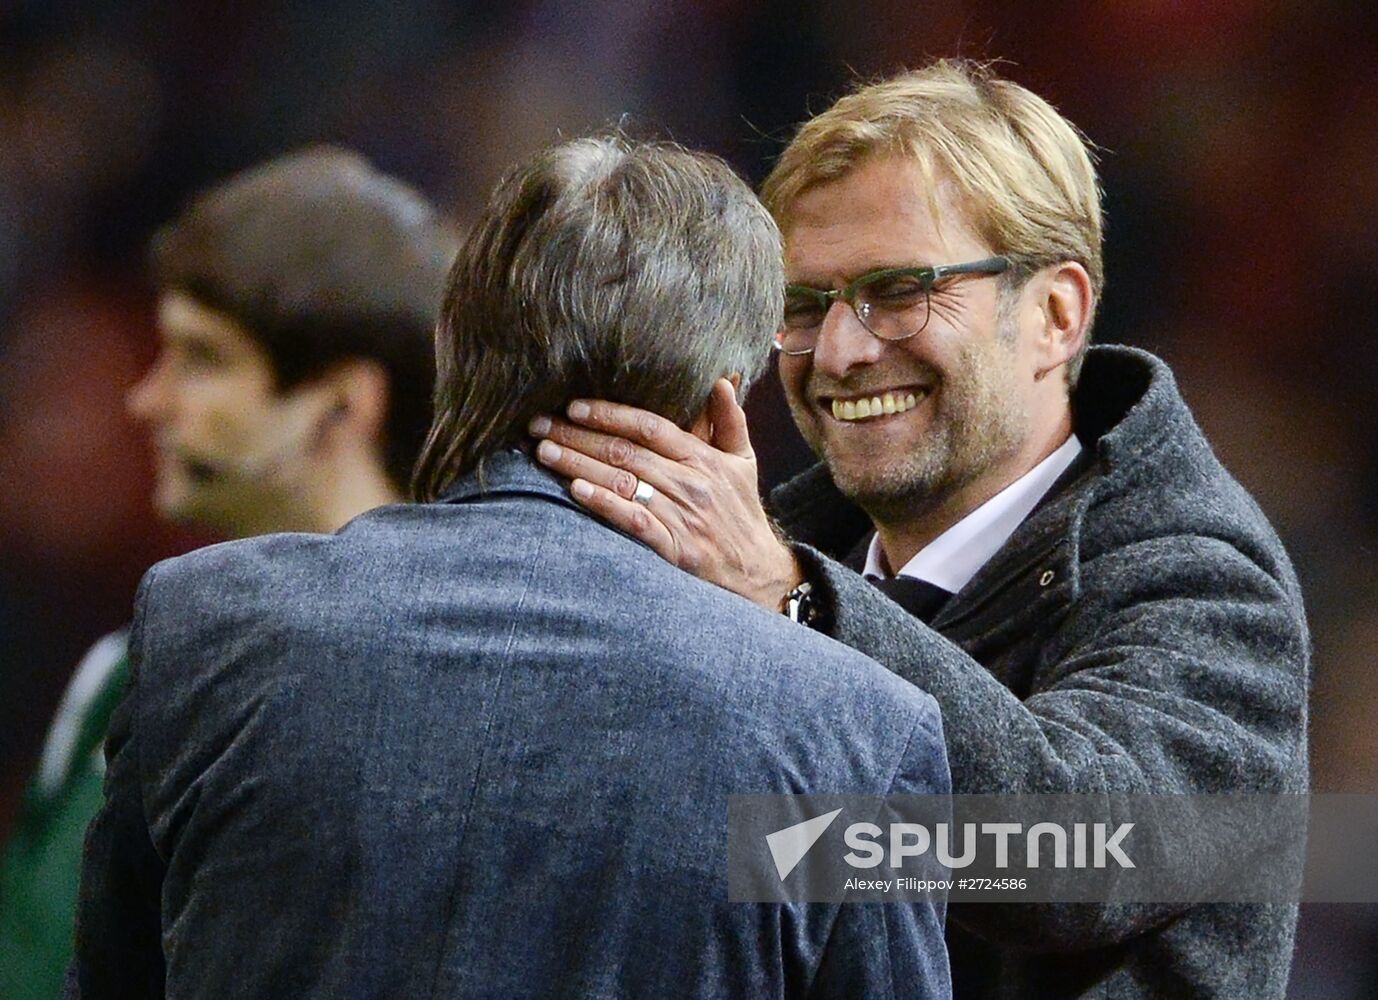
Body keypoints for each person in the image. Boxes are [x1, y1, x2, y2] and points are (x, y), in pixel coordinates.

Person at [70, 136, 953, 999]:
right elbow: (1086, 858)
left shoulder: (201, 626)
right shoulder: (855, 732)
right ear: (725, 403)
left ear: (457, 354)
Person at [527, 61, 1309, 998]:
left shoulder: (1207, 582)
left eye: (901, 292)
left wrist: (791, 599)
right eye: (806, 306)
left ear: (1056, 314)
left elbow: (1069, 865)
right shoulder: (763, 554)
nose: (845, 353)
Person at [0, 146, 455, 1000]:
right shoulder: (124, 675)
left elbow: (779, 897)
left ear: (345, 402)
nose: (147, 399)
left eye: (202, 357)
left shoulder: (491, 697)